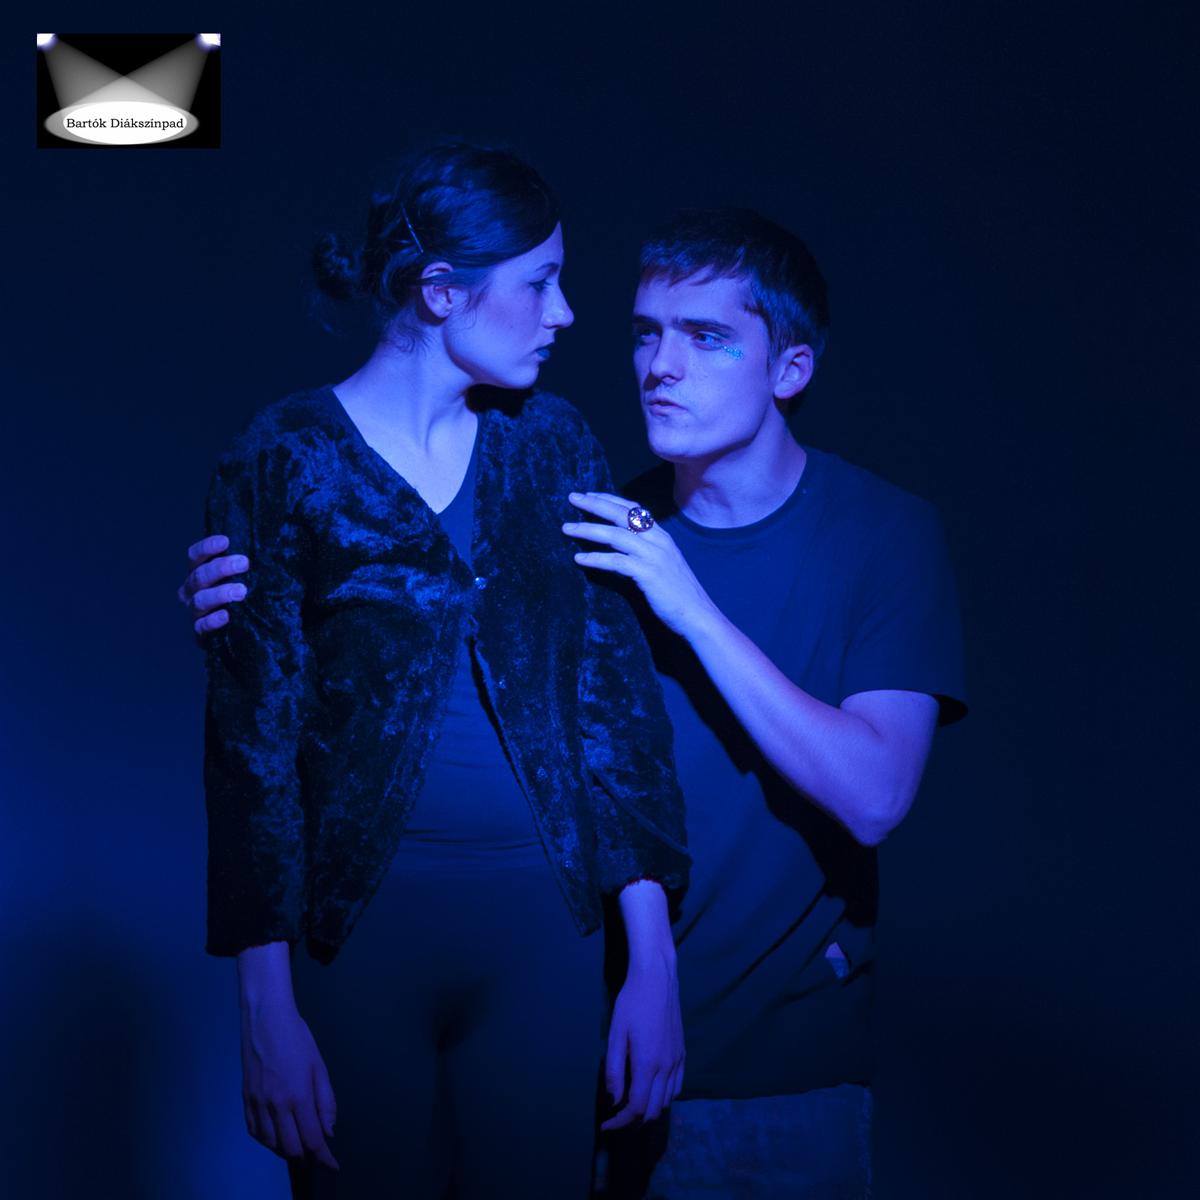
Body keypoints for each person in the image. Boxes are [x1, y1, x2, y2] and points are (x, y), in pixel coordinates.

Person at [185, 204, 968, 1199]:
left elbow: (875, 793)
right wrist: (243, 602)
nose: (661, 366)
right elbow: (371, 652)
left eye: (707, 337)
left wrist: (686, 602)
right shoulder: (578, 519)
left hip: (775, 1073)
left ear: (791, 370)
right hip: (579, 1044)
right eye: (646, 334)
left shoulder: (882, 534)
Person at [190, 142, 689, 1200]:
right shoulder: (284, 456)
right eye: (539, 283)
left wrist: (653, 964)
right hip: (360, 944)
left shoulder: (554, 445)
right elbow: (250, 749)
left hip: (545, 940)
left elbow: (616, 710)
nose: (565, 313)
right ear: (441, 291)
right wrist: (263, 1008)